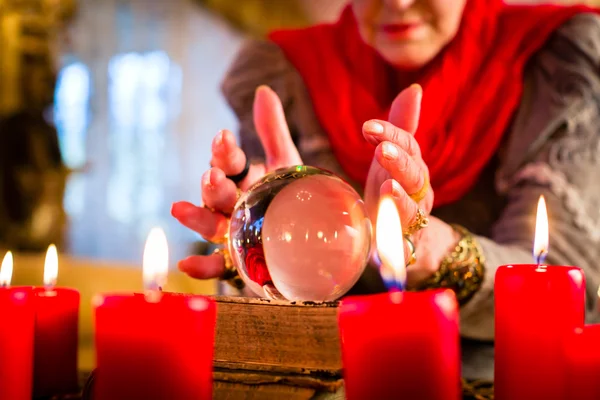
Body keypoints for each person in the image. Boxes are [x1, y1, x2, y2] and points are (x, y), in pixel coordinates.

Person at [171, 0, 600, 379]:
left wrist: (433, 249)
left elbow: (572, 292)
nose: (397, 3)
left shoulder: (556, 59)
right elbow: (271, 320)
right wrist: (258, 264)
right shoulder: (290, 73)